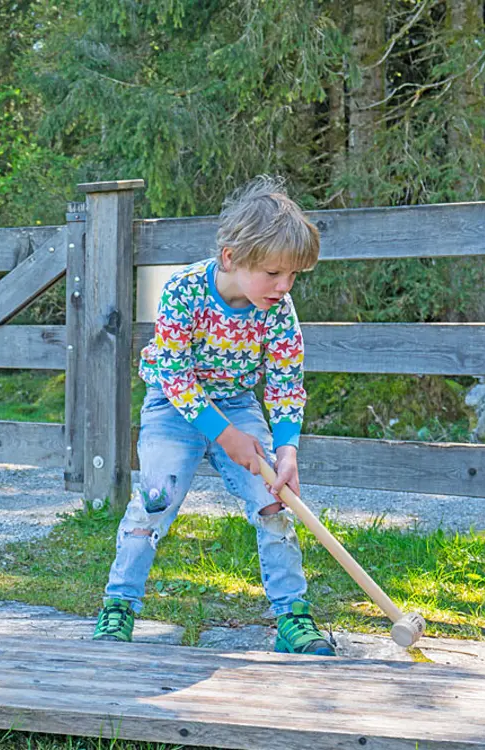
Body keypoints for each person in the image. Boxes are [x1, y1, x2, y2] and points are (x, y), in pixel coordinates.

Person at [92, 176, 335, 655]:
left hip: (237, 405)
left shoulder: (278, 310)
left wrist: (286, 450)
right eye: (272, 273)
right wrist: (224, 436)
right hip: (171, 405)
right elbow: (176, 377)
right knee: (155, 498)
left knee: (274, 502)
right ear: (230, 257)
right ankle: (118, 605)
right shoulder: (183, 292)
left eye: (292, 276)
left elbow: (287, 382)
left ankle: (293, 616)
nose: (284, 286)